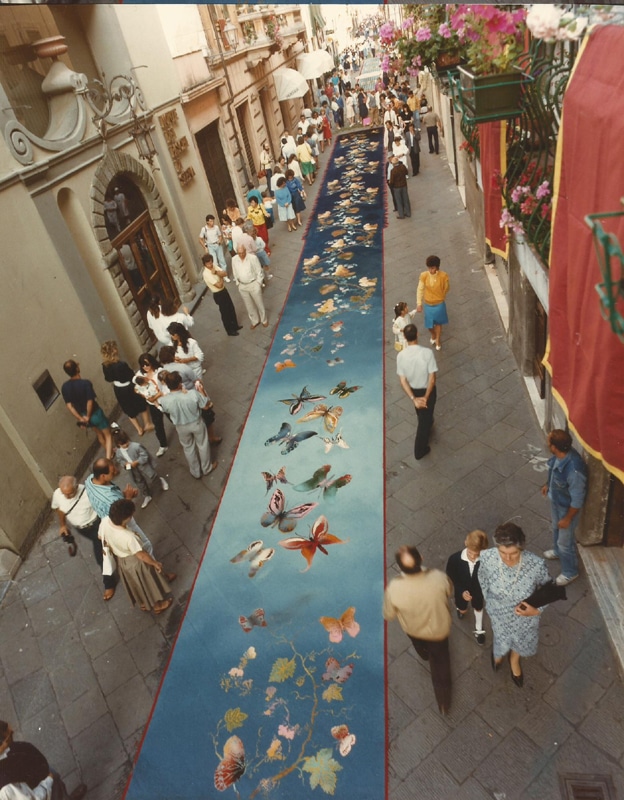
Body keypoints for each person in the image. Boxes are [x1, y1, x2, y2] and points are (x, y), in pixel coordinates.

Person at [383, 545, 453, 715]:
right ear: (421, 557)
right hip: (438, 631)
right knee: (441, 664)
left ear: (400, 567)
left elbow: (388, 614)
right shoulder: (439, 578)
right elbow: (449, 592)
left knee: (420, 647)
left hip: (414, 630)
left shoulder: (394, 588)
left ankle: (423, 654)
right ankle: (443, 701)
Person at [478, 522, 549, 688]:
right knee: (500, 634)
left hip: (524, 616)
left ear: (521, 548)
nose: (507, 558)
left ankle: (514, 660)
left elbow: (549, 590)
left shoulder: (536, 565)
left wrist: (536, 610)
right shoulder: (487, 557)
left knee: (520, 639)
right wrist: (488, 600)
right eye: (502, 552)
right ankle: (499, 653)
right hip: (498, 612)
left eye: (513, 553)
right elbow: (482, 579)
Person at [100, 500, 173, 615]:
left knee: (135, 584)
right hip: (135, 562)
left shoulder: (105, 521)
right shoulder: (128, 537)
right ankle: (158, 605)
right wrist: (154, 563)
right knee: (147, 582)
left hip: (123, 561)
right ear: (126, 519)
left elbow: (100, 537)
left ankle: (143, 603)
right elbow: (141, 555)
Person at [51, 476, 116, 601]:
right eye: (64, 494)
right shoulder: (58, 494)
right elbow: (59, 509)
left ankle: (109, 584)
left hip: (96, 525)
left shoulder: (87, 493)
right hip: (82, 529)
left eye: (70, 494)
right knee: (105, 548)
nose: (67, 497)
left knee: (101, 557)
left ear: (76, 487)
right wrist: (63, 525)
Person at [541, 429, 588, 586]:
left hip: (567, 510)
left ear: (554, 447)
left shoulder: (574, 470)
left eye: (549, 442)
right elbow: (553, 471)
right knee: (555, 527)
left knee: (565, 542)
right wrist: (548, 485)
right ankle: (557, 552)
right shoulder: (560, 456)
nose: (548, 444)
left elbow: (577, 500)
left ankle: (570, 572)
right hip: (557, 501)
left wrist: (568, 518)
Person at [0, 719, 87, 800]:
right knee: (56, 793)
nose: (12, 731)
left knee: (58, 787)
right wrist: (48, 781)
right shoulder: (7, 789)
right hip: (42, 788)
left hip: (36, 773)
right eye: (8, 738)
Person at [158, 371, 217, 479]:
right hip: (196, 422)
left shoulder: (164, 400)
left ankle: (195, 472)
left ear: (166, 385)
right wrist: (201, 391)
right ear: (180, 382)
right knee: (202, 445)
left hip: (180, 426)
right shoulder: (192, 394)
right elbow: (205, 406)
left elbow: (165, 410)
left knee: (188, 448)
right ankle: (206, 468)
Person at [396, 324, 438, 460]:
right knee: (423, 424)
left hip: (414, 390)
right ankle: (420, 450)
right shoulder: (427, 353)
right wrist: (426, 397)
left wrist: (414, 399)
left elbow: (403, 381)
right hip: (428, 391)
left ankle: (428, 420)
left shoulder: (401, 356)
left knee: (422, 413)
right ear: (417, 334)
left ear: (405, 337)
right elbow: (432, 379)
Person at [61, 359, 113, 460]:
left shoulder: (65, 387)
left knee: (99, 434)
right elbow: (90, 401)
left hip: (83, 415)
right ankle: (108, 460)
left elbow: (69, 406)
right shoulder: (85, 383)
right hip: (95, 413)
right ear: (77, 368)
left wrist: (81, 418)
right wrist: (89, 415)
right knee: (108, 435)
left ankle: (110, 453)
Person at [446, 530, 489, 645]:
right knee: (462, 607)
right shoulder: (455, 559)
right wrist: (460, 591)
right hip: (462, 590)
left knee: (478, 607)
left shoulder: (487, 560)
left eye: (477, 554)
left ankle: (479, 628)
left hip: (478, 591)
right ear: (466, 542)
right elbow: (452, 575)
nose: (473, 557)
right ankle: (461, 610)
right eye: (470, 553)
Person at [101, 341, 151, 437]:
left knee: (128, 408)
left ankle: (139, 429)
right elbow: (130, 375)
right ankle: (147, 423)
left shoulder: (105, 366)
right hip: (129, 386)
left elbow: (108, 379)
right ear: (113, 351)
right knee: (141, 404)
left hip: (118, 389)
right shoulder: (121, 364)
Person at [113, 429, 169, 509]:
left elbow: (144, 455)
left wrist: (137, 462)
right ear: (118, 444)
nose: (125, 445)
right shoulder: (119, 452)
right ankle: (146, 495)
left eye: (126, 442)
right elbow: (120, 460)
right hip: (132, 469)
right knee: (139, 481)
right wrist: (125, 464)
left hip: (143, 466)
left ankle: (160, 481)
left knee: (152, 476)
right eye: (122, 444)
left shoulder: (136, 446)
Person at [134, 353, 168, 456]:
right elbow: (136, 388)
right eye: (143, 365)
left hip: (164, 400)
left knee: (174, 418)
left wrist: (154, 398)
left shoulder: (160, 372)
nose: (145, 367)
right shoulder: (140, 374)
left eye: (147, 364)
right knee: (157, 425)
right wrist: (145, 396)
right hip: (152, 404)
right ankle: (163, 445)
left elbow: (165, 389)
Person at [201, 253, 241, 336]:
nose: (210, 264)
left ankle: (235, 326)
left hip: (224, 291)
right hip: (218, 294)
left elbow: (225, 273)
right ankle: (230, 330)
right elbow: (219, 285)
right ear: (204, 264)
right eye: (208, 263)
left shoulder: (214, 267)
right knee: (225, 312)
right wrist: (221, 277)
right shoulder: (206, 274)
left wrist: (216, 272)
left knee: (231, 308)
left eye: (211, 262)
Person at [417, 255, 450, 351]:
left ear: (437, 267)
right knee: (429, 324)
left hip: (439, 303)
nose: (431, 270)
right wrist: (419, 303)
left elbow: (446, 288)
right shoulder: (424, 276)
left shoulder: (443, 276)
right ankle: (433, 334)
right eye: (429, 268)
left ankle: (438, 340)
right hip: (428, 303)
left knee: (438, 323)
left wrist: (441, 296)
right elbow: (420, 289)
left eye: (433, 268)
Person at [231, 244, 268, 329]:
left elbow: (259, 271)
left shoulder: (252, 258)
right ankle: (254, 321)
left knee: (259, 303)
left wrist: (258, 283)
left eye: (243, 252)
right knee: (249, 306)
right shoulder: (234, 259)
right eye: (239, 253)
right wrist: (238, 283)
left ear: (245, 251)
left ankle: (264, 320)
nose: (241, 255)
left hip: (253, 283)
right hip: (242, 286)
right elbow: (235, 271)